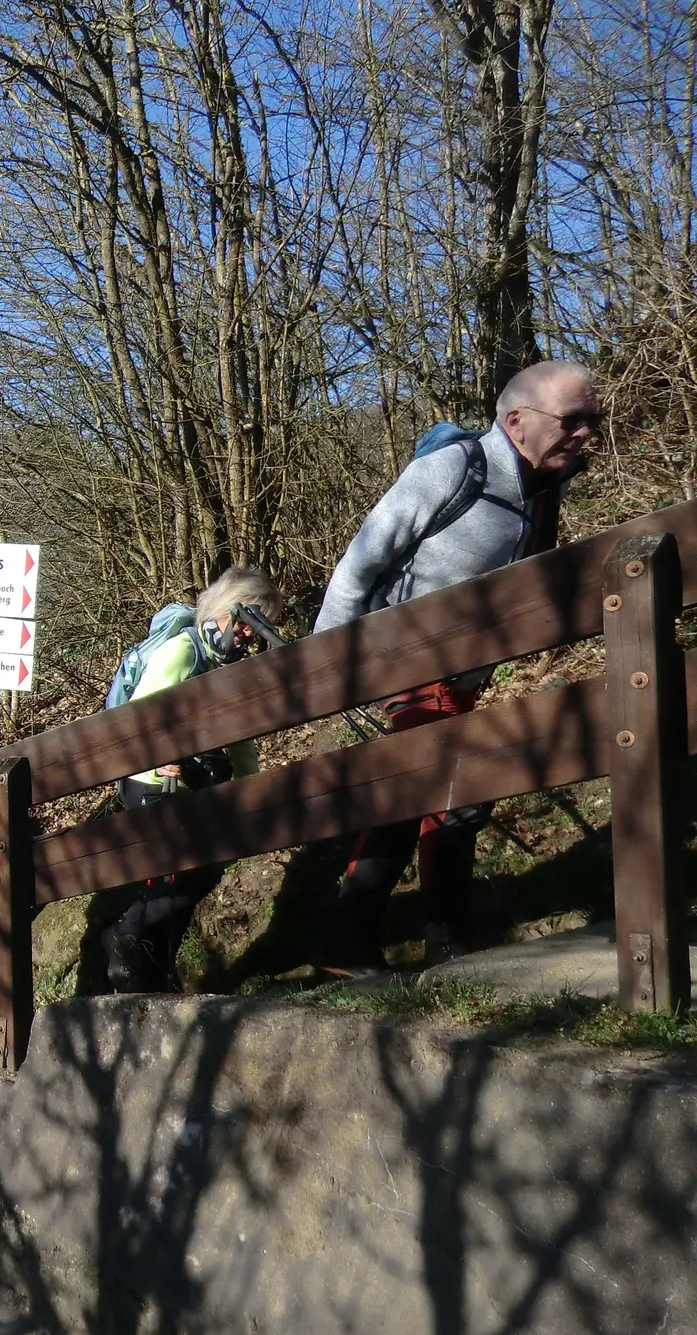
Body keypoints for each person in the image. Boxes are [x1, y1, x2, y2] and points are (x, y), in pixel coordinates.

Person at [315, 359, 601, 966]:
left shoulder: (543, 492)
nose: (585, 435)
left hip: (466, 674)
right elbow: (360, 563)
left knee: (442, 794)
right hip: (402, 660)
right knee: (443, 788)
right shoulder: (452, 469)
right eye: (572, 420)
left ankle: (414, 939)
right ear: (517, 420)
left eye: (591, 422)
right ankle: (389, 938)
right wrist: (325, 669)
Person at [100, 568, 286, 992]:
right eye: (247, 619)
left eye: (259, 625)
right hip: (151, 780)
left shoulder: (226, 665)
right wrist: (156, 755)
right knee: (179, 875)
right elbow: (139, 716)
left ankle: (152, 968)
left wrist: (250, 787)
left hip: (192, 785)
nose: (249, 634)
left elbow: (239, 735)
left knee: (194, 874)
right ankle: (126, 940)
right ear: (225, 610)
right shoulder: (183, 650)